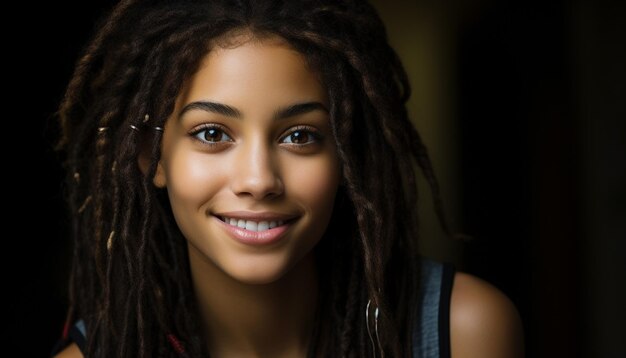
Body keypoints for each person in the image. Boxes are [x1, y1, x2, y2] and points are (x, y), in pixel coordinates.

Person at [52, 0, 523, 357]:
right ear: (151, 157)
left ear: (345, 156)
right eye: (212, 133)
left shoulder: (464, 333)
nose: (259, 180)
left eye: (300, 136)